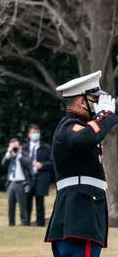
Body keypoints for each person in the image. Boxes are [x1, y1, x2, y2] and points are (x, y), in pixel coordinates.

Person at [45, 71, 118, 257]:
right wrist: (106, 116)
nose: (99, 105)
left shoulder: (77, 127)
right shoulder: (69, 127)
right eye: (95, 100)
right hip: (79, 218)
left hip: (79, 219)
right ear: (81, 102)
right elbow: (87, 137)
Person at [26, 124, 53, 227]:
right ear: (29, 134)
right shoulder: (24, 148)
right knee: (26, 204)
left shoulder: (46, 148)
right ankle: (26, 224)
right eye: (33, 133)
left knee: (39, 204)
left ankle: (40, 224)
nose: (35, 135)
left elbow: (52, 163)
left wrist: (42, 165)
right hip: (28, 179)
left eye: (37, 132)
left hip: (41, 179)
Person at [2, 137, 30, 226]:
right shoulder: (10, 156)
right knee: (11, 206)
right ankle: (11, 224)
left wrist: (19, 154)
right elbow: (3, 163)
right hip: (11, 182)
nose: (15, 148)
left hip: (21, 183)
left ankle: (25, 224)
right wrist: (9, 152)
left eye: (16, 146)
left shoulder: (24, 154)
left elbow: (28, 163)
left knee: (23, 206)